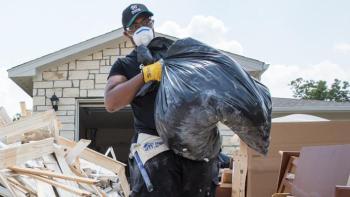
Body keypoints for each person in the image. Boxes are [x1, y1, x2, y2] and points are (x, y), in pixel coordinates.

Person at [105, 4, 218, 197]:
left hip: (191, 138)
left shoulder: (176, 54)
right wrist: (145, 75)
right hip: (154, 141)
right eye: (135, 25)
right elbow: (111, 102)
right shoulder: (125, 65)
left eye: (146, 21)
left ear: (153, 23)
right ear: (127, 33)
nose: (142, 27)